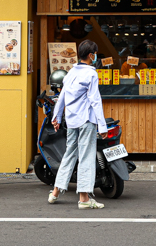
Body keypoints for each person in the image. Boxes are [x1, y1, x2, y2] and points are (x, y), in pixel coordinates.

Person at [48, 40, 107, 209]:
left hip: (72, 120)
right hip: (86, 120)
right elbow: (95, 100)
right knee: (86, 157)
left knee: (69, 155)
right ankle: (84, 199)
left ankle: (55, 193)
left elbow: (62, 97)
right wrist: (102, 126)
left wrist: (56, 118)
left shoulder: (71, 72)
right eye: (95, 53)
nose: (96, 56)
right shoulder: (91, 74)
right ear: (91, 55)